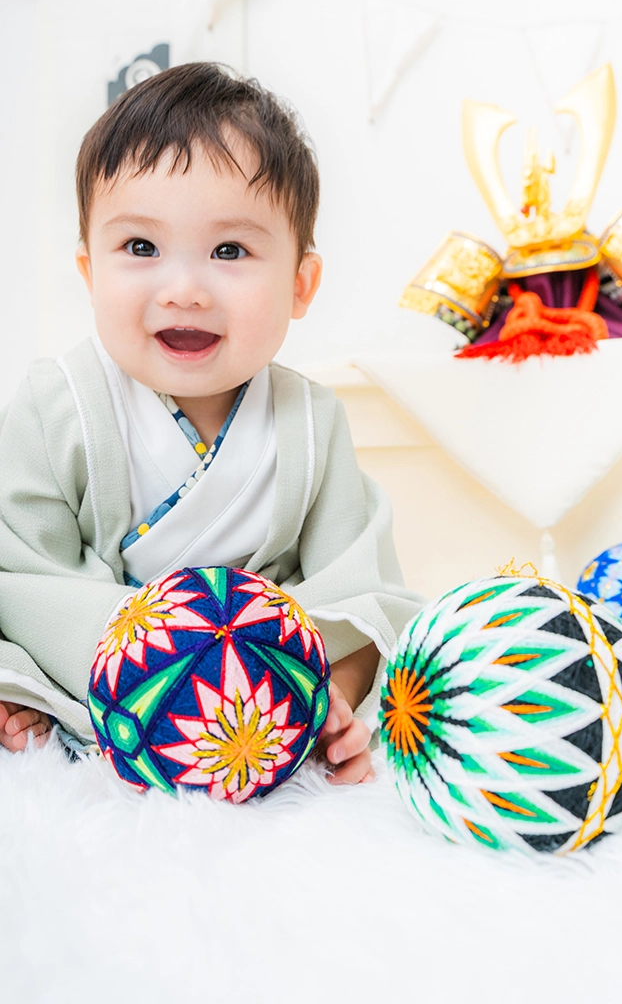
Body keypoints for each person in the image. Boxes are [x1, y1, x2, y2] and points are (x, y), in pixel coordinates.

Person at [0, 62, 422, 784]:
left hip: (260, 704)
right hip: (91, 681)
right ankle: (37, 709)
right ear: (90, 273)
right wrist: (155, 657)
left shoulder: (311, 424)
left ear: (300, 285)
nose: (185, 290)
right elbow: (25, 576)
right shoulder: (57, 405)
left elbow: (358, 595)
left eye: (230, 251)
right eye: (141, 248)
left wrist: (333, 697)